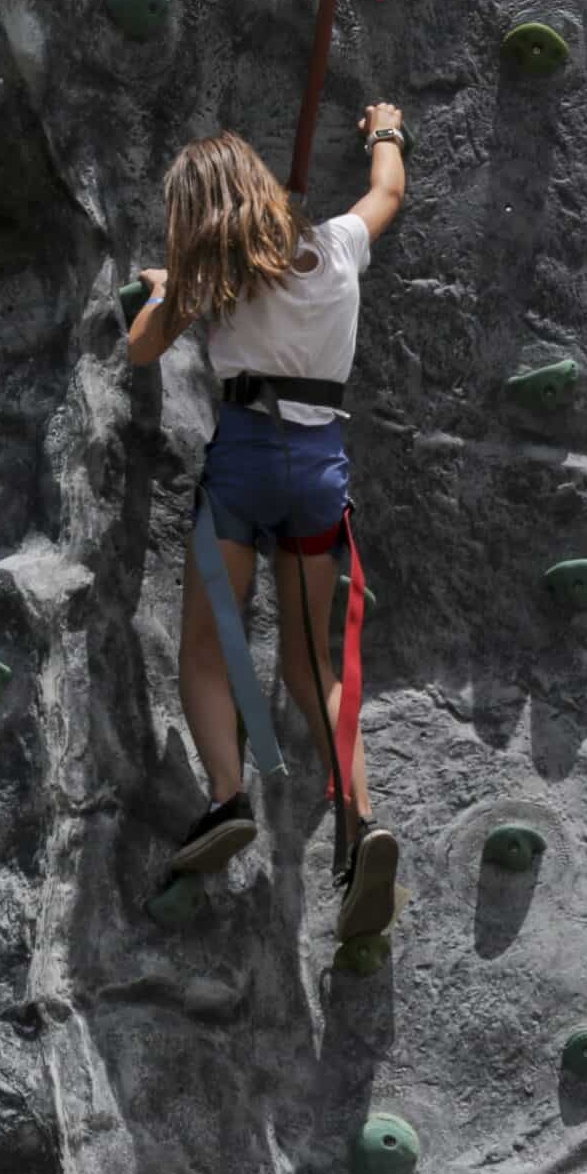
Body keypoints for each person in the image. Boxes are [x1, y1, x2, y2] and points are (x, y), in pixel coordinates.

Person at [124, 107, 408, 941]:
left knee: (210, 648)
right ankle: (359, 824)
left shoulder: (211, 278)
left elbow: (141, 349)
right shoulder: (339, 245)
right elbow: (388, 188)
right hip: (320, 470)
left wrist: (166, 287)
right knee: (309, 656)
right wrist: (386, 127)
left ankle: (226, 794)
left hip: (245, 461)